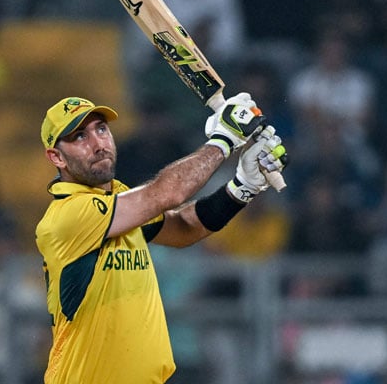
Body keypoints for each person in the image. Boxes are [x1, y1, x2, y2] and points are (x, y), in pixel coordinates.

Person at [35, 94, 288, 383]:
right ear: (56, 157)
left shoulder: (117, 201)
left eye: (101, 129)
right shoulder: (67, 214)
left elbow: (183, 227)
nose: (98, 143)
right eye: (80, 136)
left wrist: (242, 187)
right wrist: (224, 139)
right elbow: (166, 194)